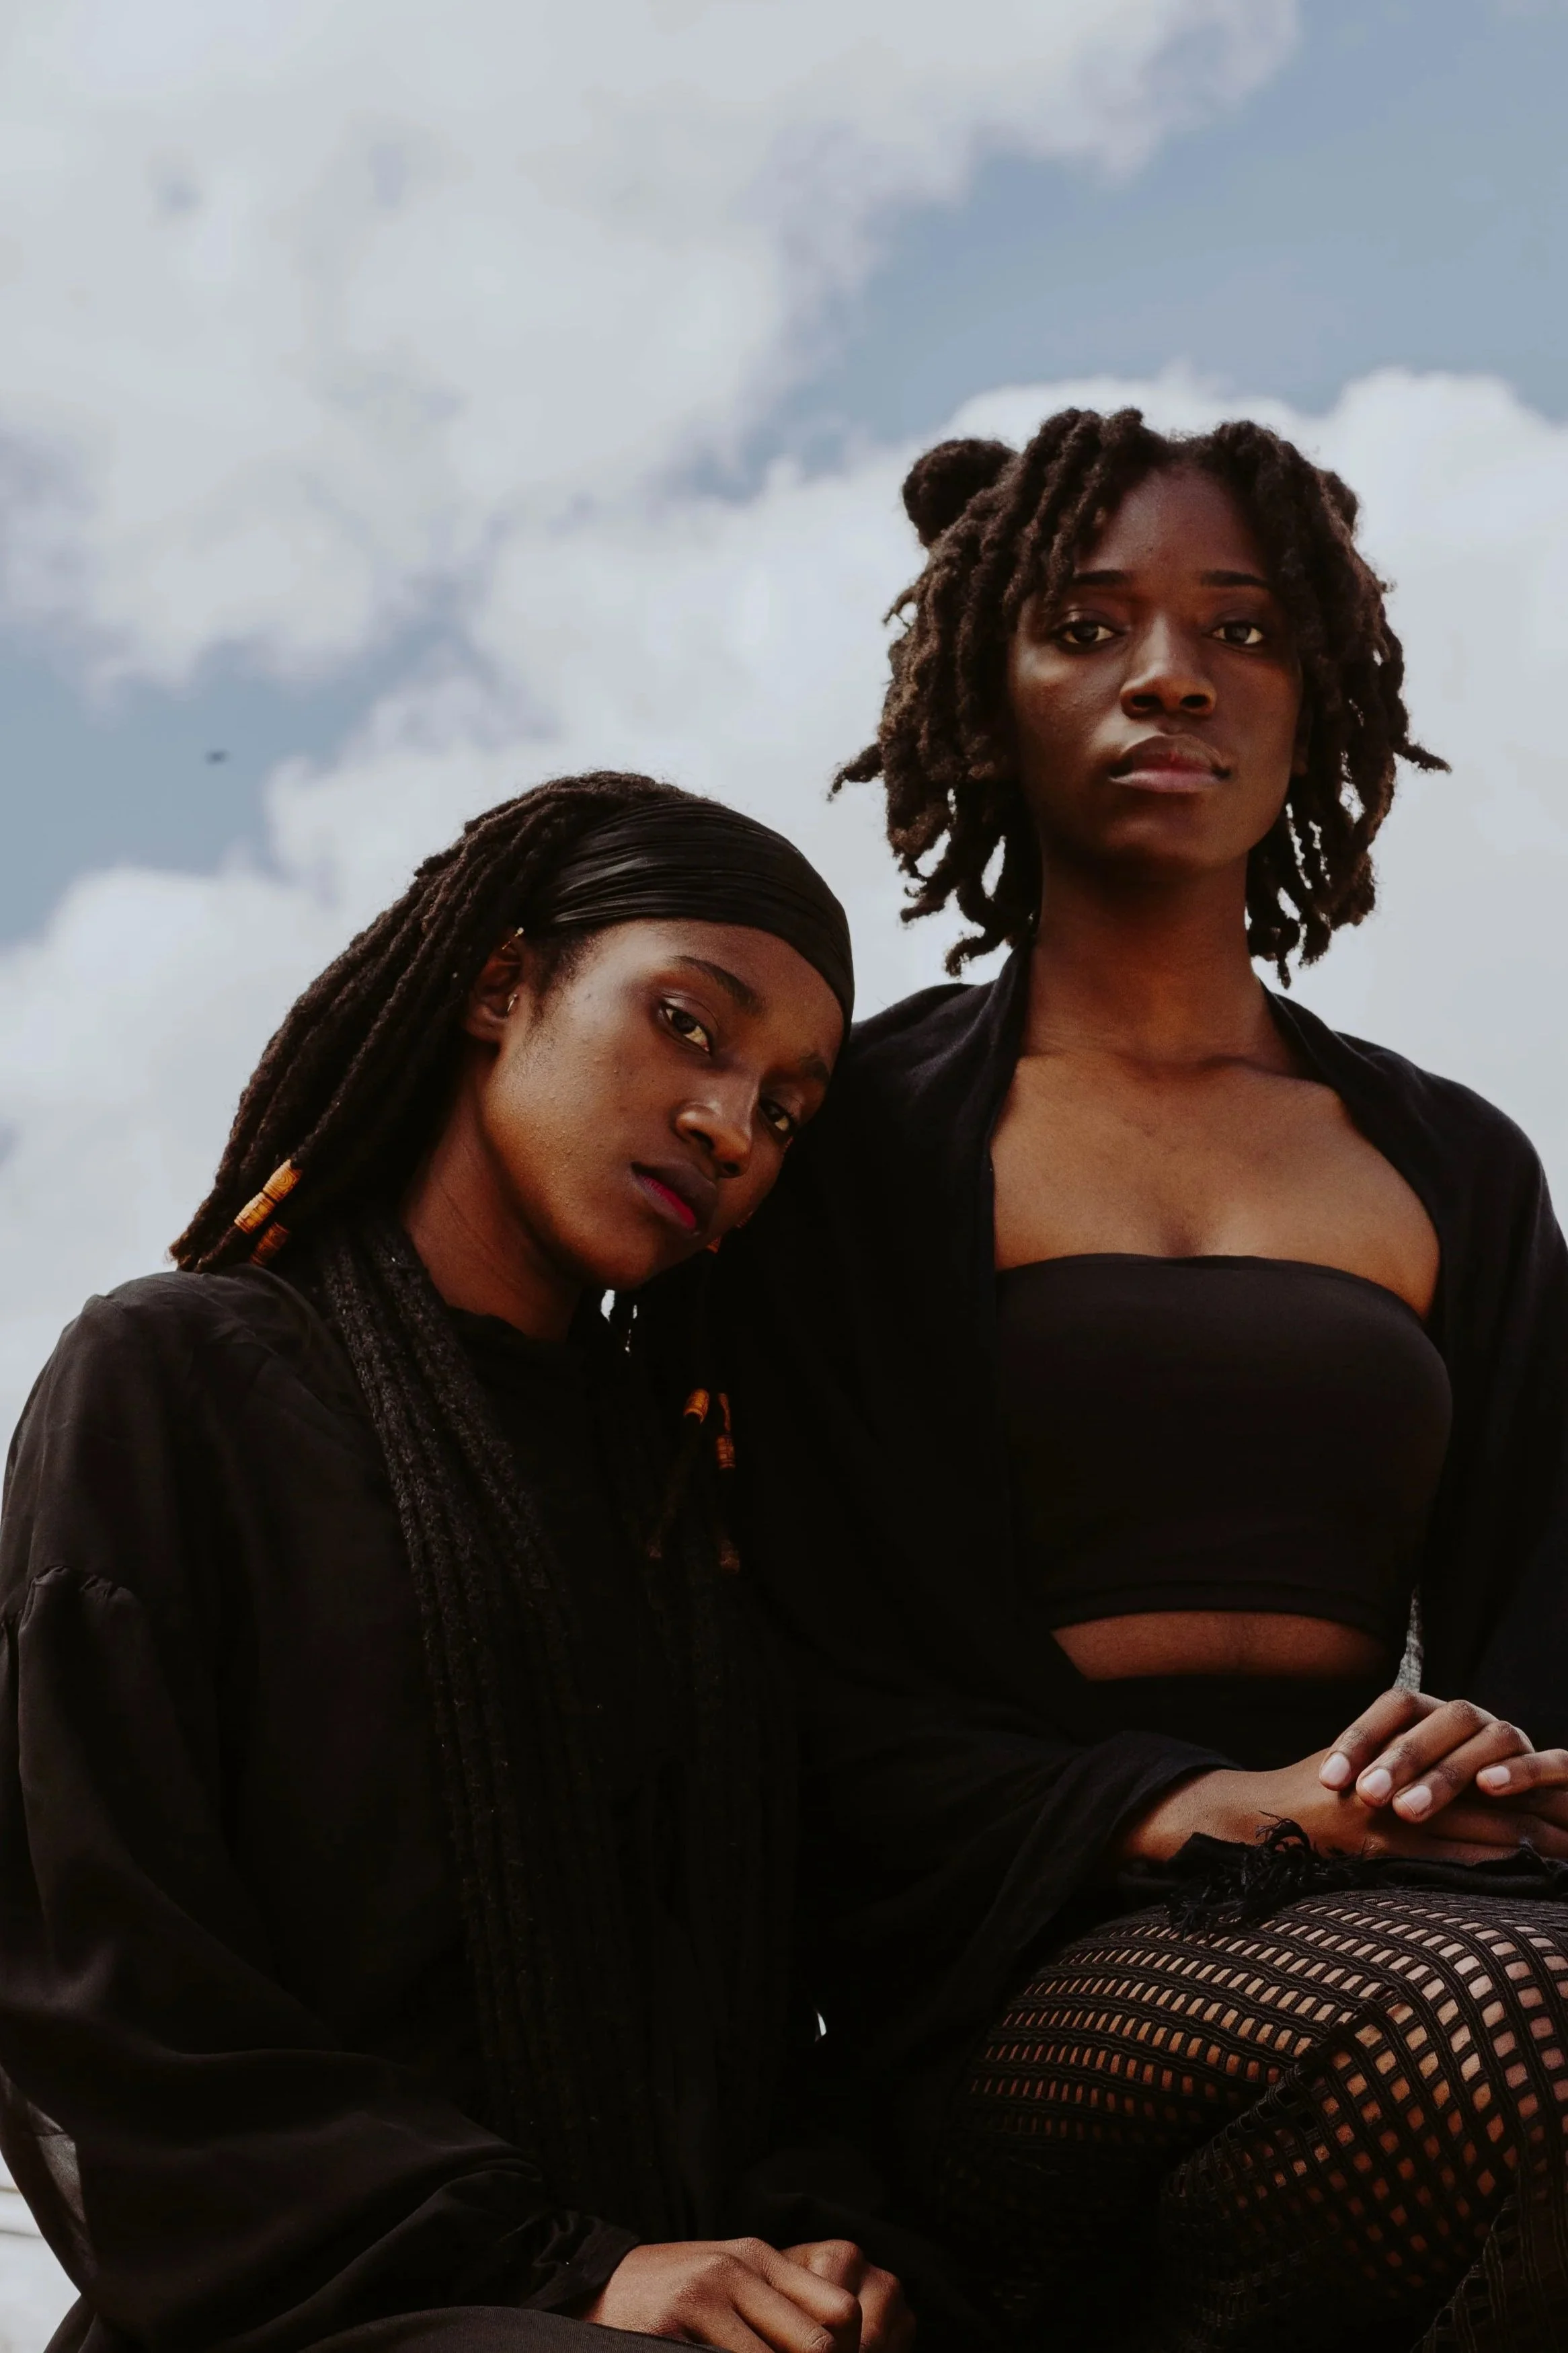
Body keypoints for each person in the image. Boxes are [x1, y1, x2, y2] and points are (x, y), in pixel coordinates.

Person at [719, 414, 1568, 2352]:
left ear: (1313, 698)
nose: (1171, 675)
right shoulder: (859, 1144)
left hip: (1449, 1897)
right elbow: (785, 1669)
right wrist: (1215, 1809)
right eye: (1088, 625)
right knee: (1512, 2033)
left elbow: (1545, 1598)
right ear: (984, 691)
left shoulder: (1449, 1163)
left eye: (1240, 630)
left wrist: (1495, 1776)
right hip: (1032, 1955)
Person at [0, 772, 917, 2353]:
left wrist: (812, 2255)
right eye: (687, 1026)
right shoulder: (176, 1382)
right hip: (311, 2309)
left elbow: (775, 2010)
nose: (727, 1127)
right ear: (500, 985)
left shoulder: (684, 1497)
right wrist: (566, 2269)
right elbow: (103, 1980)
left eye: (783, 1111)